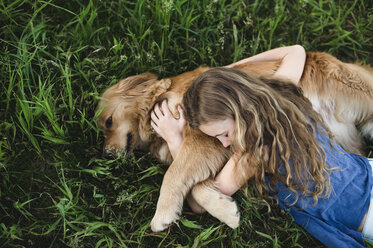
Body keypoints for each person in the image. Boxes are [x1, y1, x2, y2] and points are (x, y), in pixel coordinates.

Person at [150, 45, 373, 247]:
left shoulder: (252, 154)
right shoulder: (277, 96)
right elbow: (295, 51)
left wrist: (174, 139)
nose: (225, 143)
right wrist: (229, 72)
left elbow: (200, 203)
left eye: (224, 134)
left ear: (237, 112)